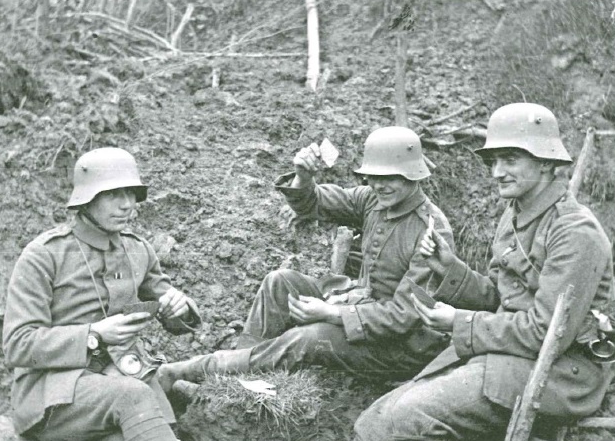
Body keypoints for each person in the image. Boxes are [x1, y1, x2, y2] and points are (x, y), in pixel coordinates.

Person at [352, 103, 615, 441]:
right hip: (506, 353)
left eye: (510, 159)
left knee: (398, 426)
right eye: (493, 161)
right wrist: (450, 269)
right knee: (373, 420)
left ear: (546, 162)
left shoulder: (575, 232)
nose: (496, 172)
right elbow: (500, 297)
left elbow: (545, 333)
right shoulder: (515, 214)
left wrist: (458, 322)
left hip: (561, 372)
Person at [157, 126, 454, 389]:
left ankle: (194, 371)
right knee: (280, 283)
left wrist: (331, 313)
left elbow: (404, 316)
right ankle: (238, 381)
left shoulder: (431, 229)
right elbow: (313, 204)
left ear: (414, 175)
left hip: (403, 348)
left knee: (310, 338)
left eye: (391, 177)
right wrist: (303, 176)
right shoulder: (373, 200)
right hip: (364, 308)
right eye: (374, 177)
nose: (379, 185)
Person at [3, 147, 201, 441]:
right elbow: (17, 344)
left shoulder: (137, 250)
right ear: (87, 199)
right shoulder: (45, 255)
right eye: (113, 195)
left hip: (122, 379)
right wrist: (93, 335)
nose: (126, 205)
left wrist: (178, 307)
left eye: (132, 194)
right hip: (54, 396)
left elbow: (171, 306)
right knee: (134, 397)